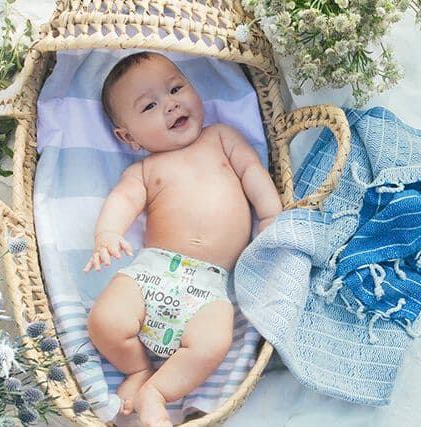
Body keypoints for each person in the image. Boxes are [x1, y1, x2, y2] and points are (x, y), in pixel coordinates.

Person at [83, 51, 282, 427]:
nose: (171, 103)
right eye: (150, 106)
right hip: (152, 272)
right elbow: (122, 200)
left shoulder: (222, 138)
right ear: (129, 137)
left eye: (176, 88)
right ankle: (138, 369)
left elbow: (252, 170)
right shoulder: (145, 169)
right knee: (104, 321)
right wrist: (107, 233)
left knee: (213, 343)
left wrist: (271, 214)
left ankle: (157, 391)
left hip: (209, 286)